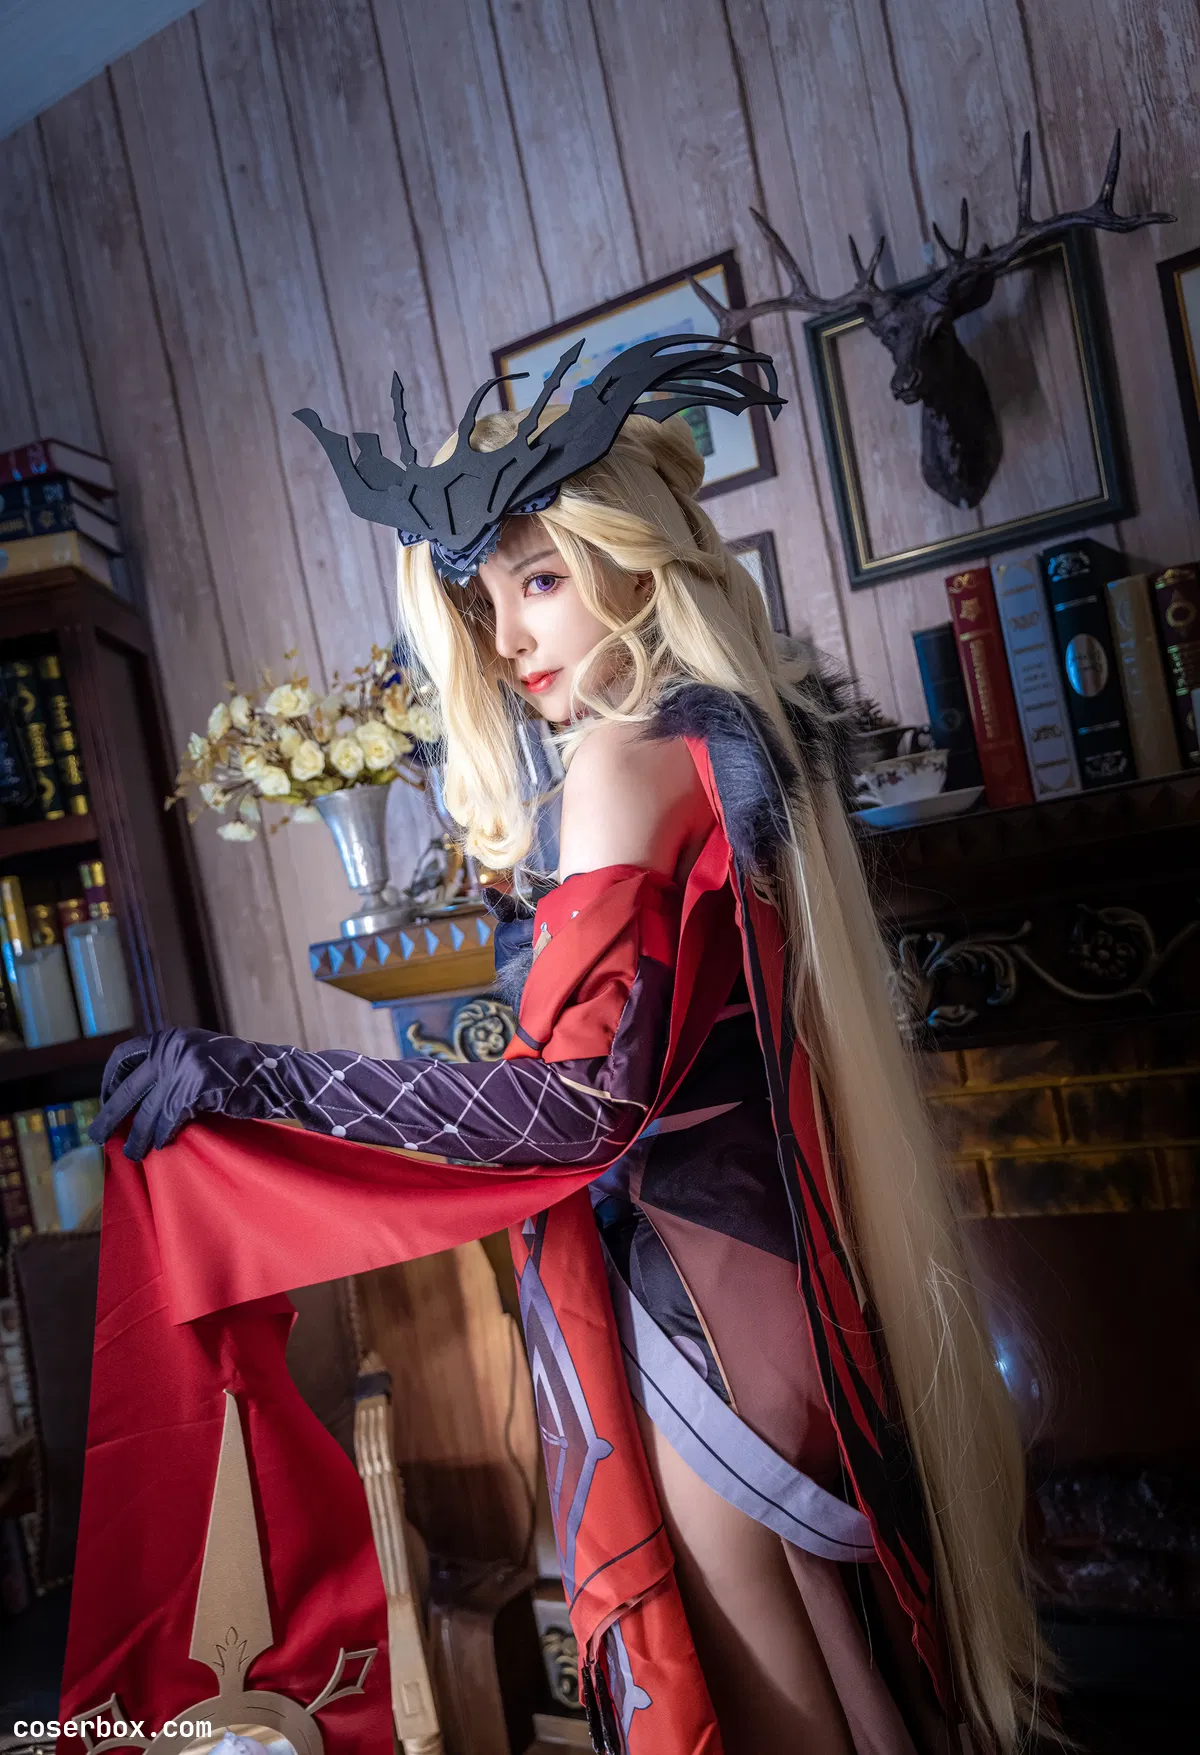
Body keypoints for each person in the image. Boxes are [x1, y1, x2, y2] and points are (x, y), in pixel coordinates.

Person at [91, 339, 1048, 1755]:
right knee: (853, 1704)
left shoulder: (621, 756)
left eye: (539, 579)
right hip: (783, 1294)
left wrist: (256, 1080)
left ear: (634, 559)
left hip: (699, 1315)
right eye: (484, 598)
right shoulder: (737, 733)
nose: (505, 638)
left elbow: (572, 1113)